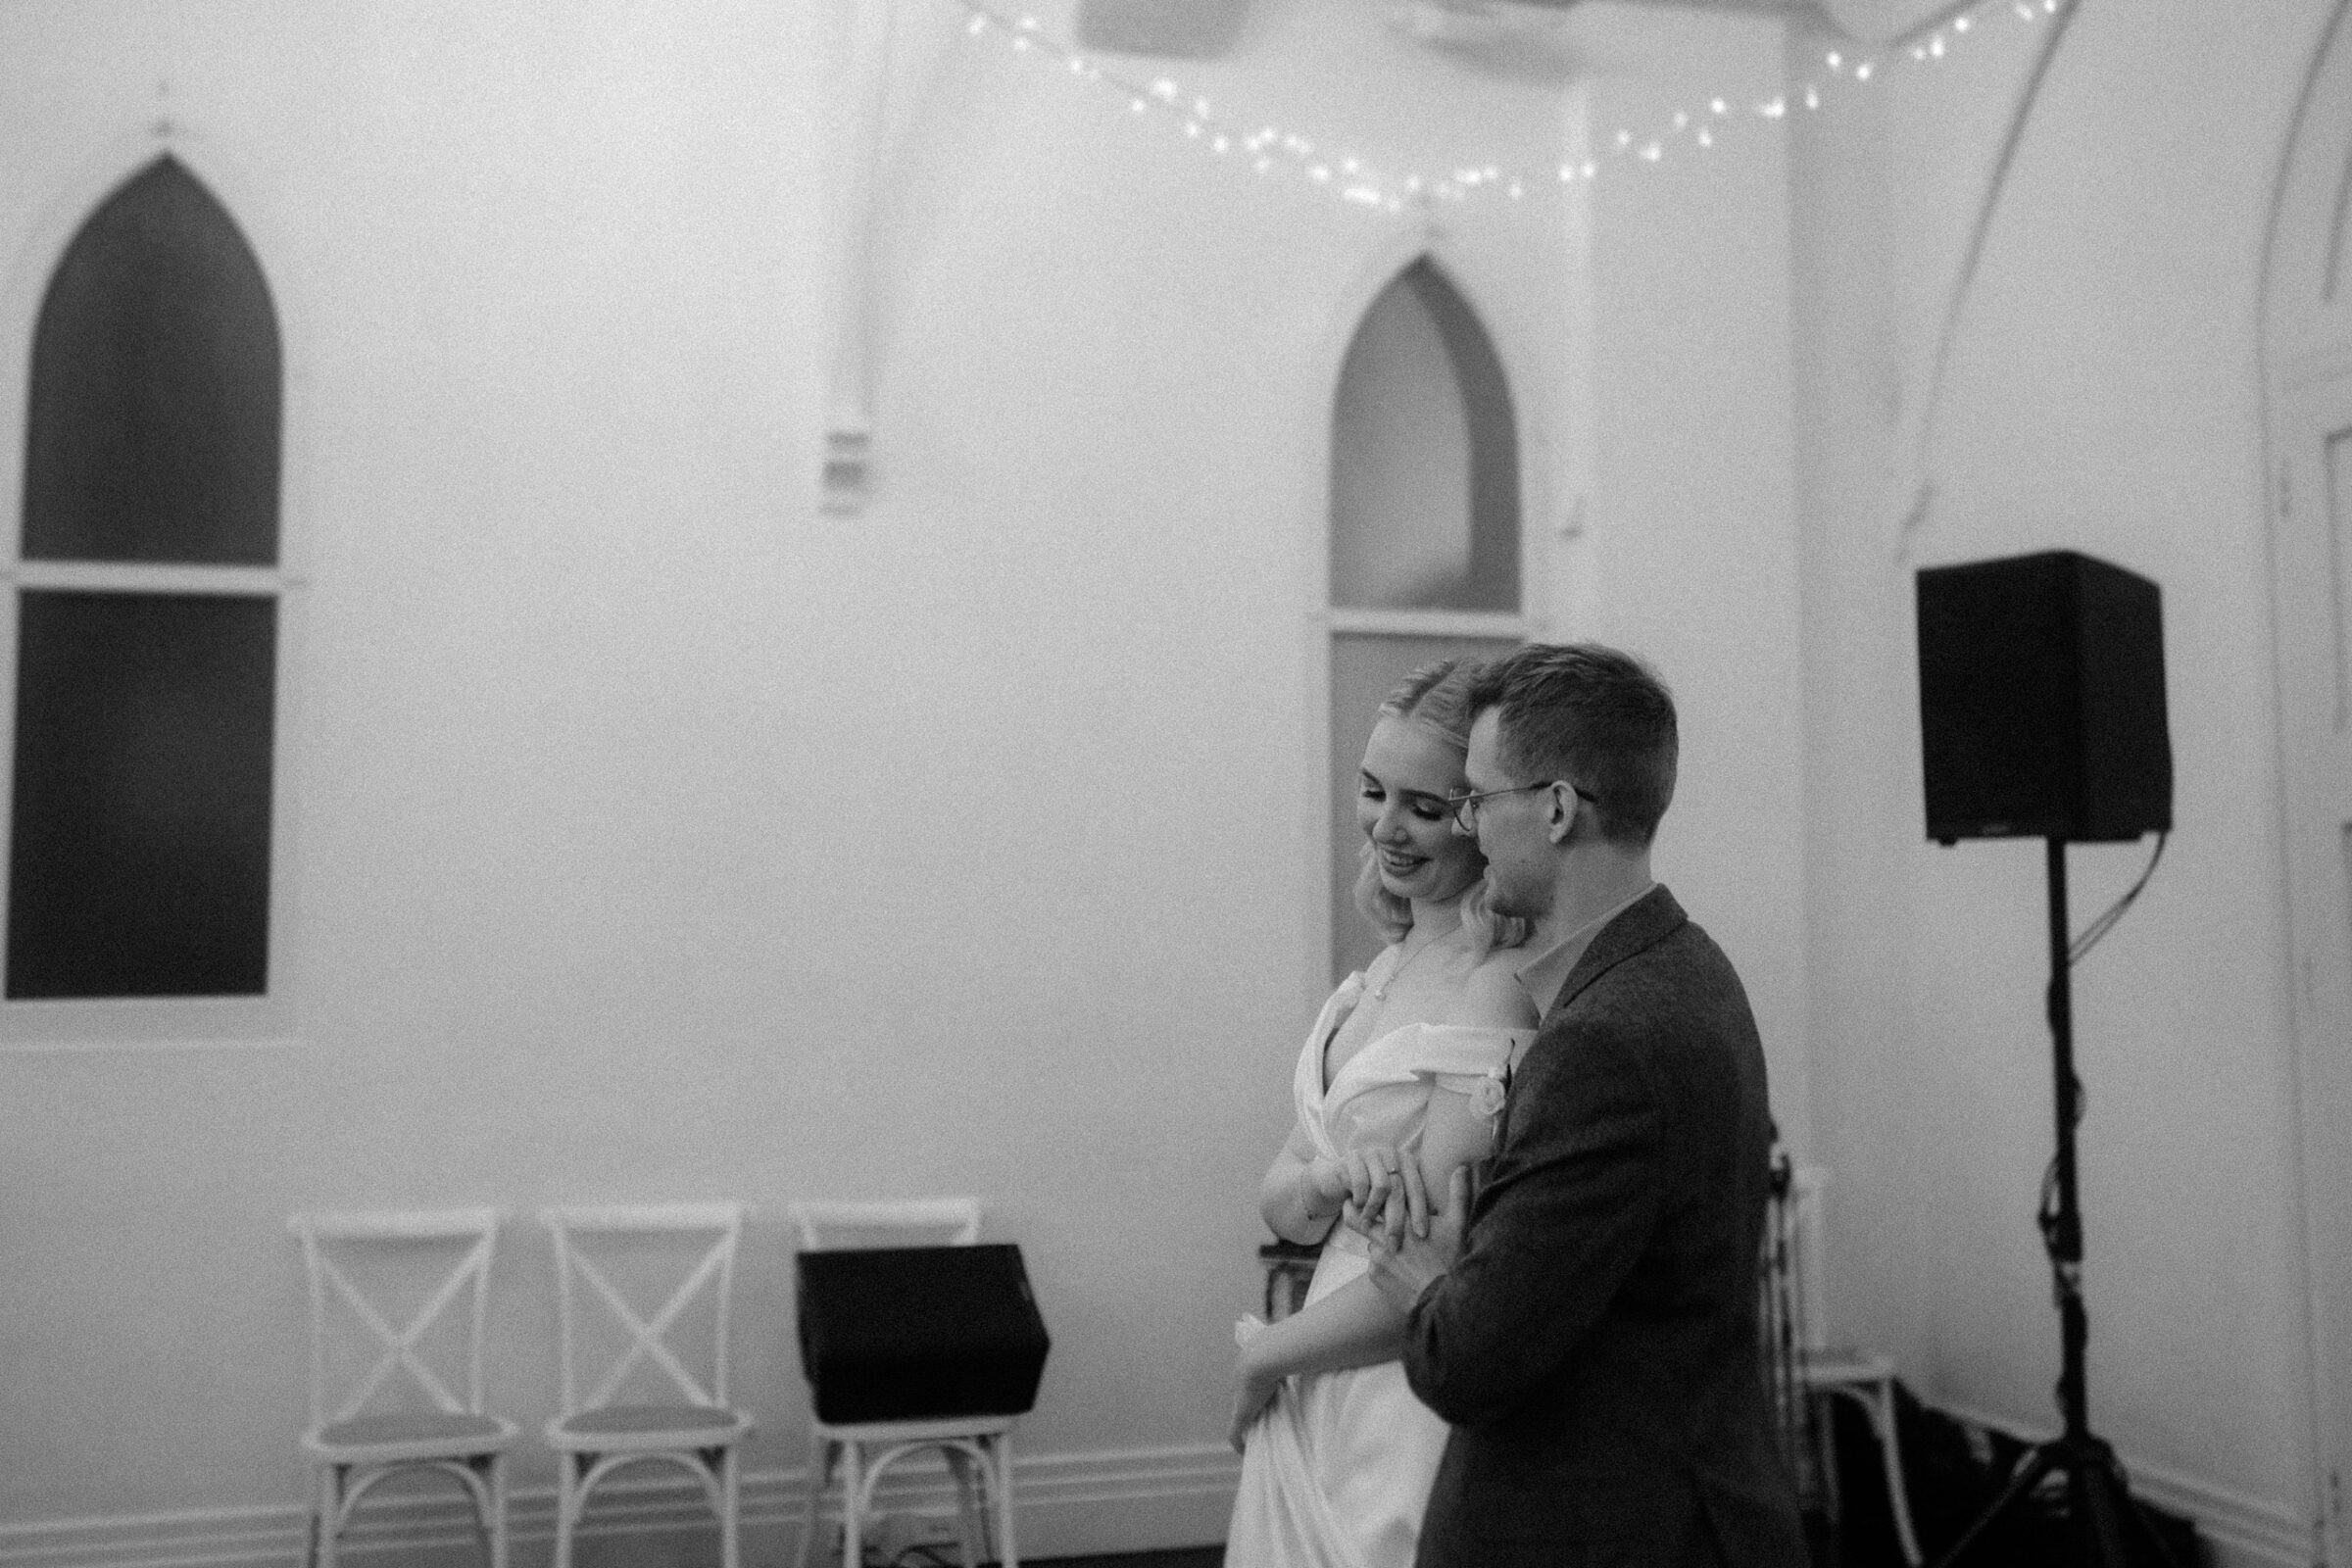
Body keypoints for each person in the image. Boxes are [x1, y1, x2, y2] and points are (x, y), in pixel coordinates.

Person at [1360, 642, 1808, 1568]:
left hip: (1608, 1524)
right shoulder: (1690, 961)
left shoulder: (1602, 1042)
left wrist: (1423, 1272)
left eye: (1479, 800)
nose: (1470, 830)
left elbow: (1466, 1361)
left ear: (1558, 808)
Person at [1224, 658, 1541, 1568]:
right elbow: (1281, 1203)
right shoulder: (1378, 974)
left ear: (1480, 815)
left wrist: (1267, 1355)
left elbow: (1439, 1267)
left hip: (1398, 1384)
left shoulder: (1493, 995)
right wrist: (1328, 1176)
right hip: (1322, 1350)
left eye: (1425, 807)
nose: (1387, 828)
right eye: (1373, 793)